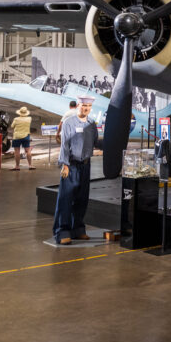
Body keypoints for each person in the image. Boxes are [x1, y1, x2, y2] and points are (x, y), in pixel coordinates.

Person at [53, 96, 100, 245]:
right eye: (83, 105)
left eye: (88, 106)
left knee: (82, 199)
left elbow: (95, 141)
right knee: (65, 199)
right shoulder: (68, 123)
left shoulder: (92, 124)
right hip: (71, 165)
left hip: (85, 165)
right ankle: (62, 231)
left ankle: (78, 229)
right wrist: (64, 164)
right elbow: (64, 145)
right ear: (78, 105)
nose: (85, 108)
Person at [10, 107, 35, 171]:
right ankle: (30, 165)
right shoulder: (29, 118)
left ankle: (17, 166)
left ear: (20, 112)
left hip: (17, 137)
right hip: (26, 136)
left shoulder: (16, 119)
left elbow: (12, 126)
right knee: (28, 151)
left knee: (17, 152)